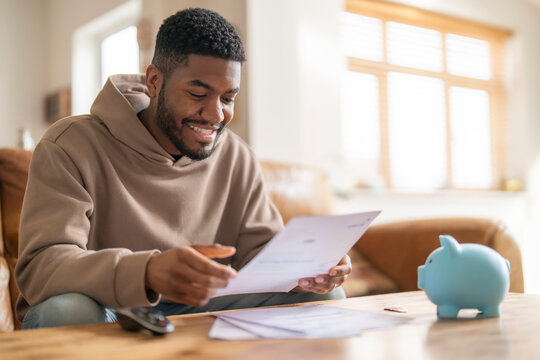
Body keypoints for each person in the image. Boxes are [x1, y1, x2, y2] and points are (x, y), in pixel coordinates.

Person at [15, 8, 351, 329]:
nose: (216, 115)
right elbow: (42, 266)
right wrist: (146, 272)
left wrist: (310, 269)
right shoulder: (69, 144)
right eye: (197, 93)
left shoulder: (237, 156)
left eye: (228, 98)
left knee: (323, 295)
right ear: (154, 81)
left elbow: (261, 257)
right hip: (109, 307)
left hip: (200, 304)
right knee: (67, 310)